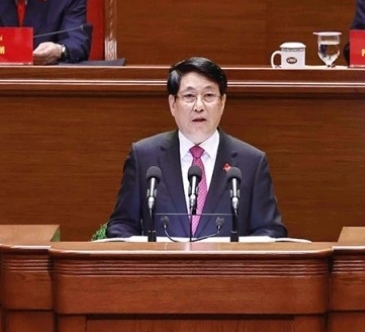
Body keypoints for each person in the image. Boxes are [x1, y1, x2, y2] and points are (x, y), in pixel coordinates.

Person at [106, 57, 287, 240]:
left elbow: (270, 232)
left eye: (209, 96)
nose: (199, 106)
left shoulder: (252, 162)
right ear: (172, 104)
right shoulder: (144, 157)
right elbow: (121, 227)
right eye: (189, 96)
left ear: (222, 103)